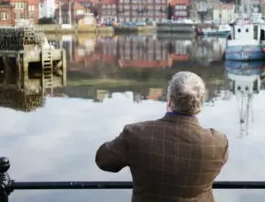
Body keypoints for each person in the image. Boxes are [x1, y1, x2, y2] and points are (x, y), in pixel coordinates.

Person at [95, 71, 229, 202]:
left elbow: (103, 161)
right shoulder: (218, 142)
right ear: (200, 105)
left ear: (170, 101)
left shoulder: (136, 134)